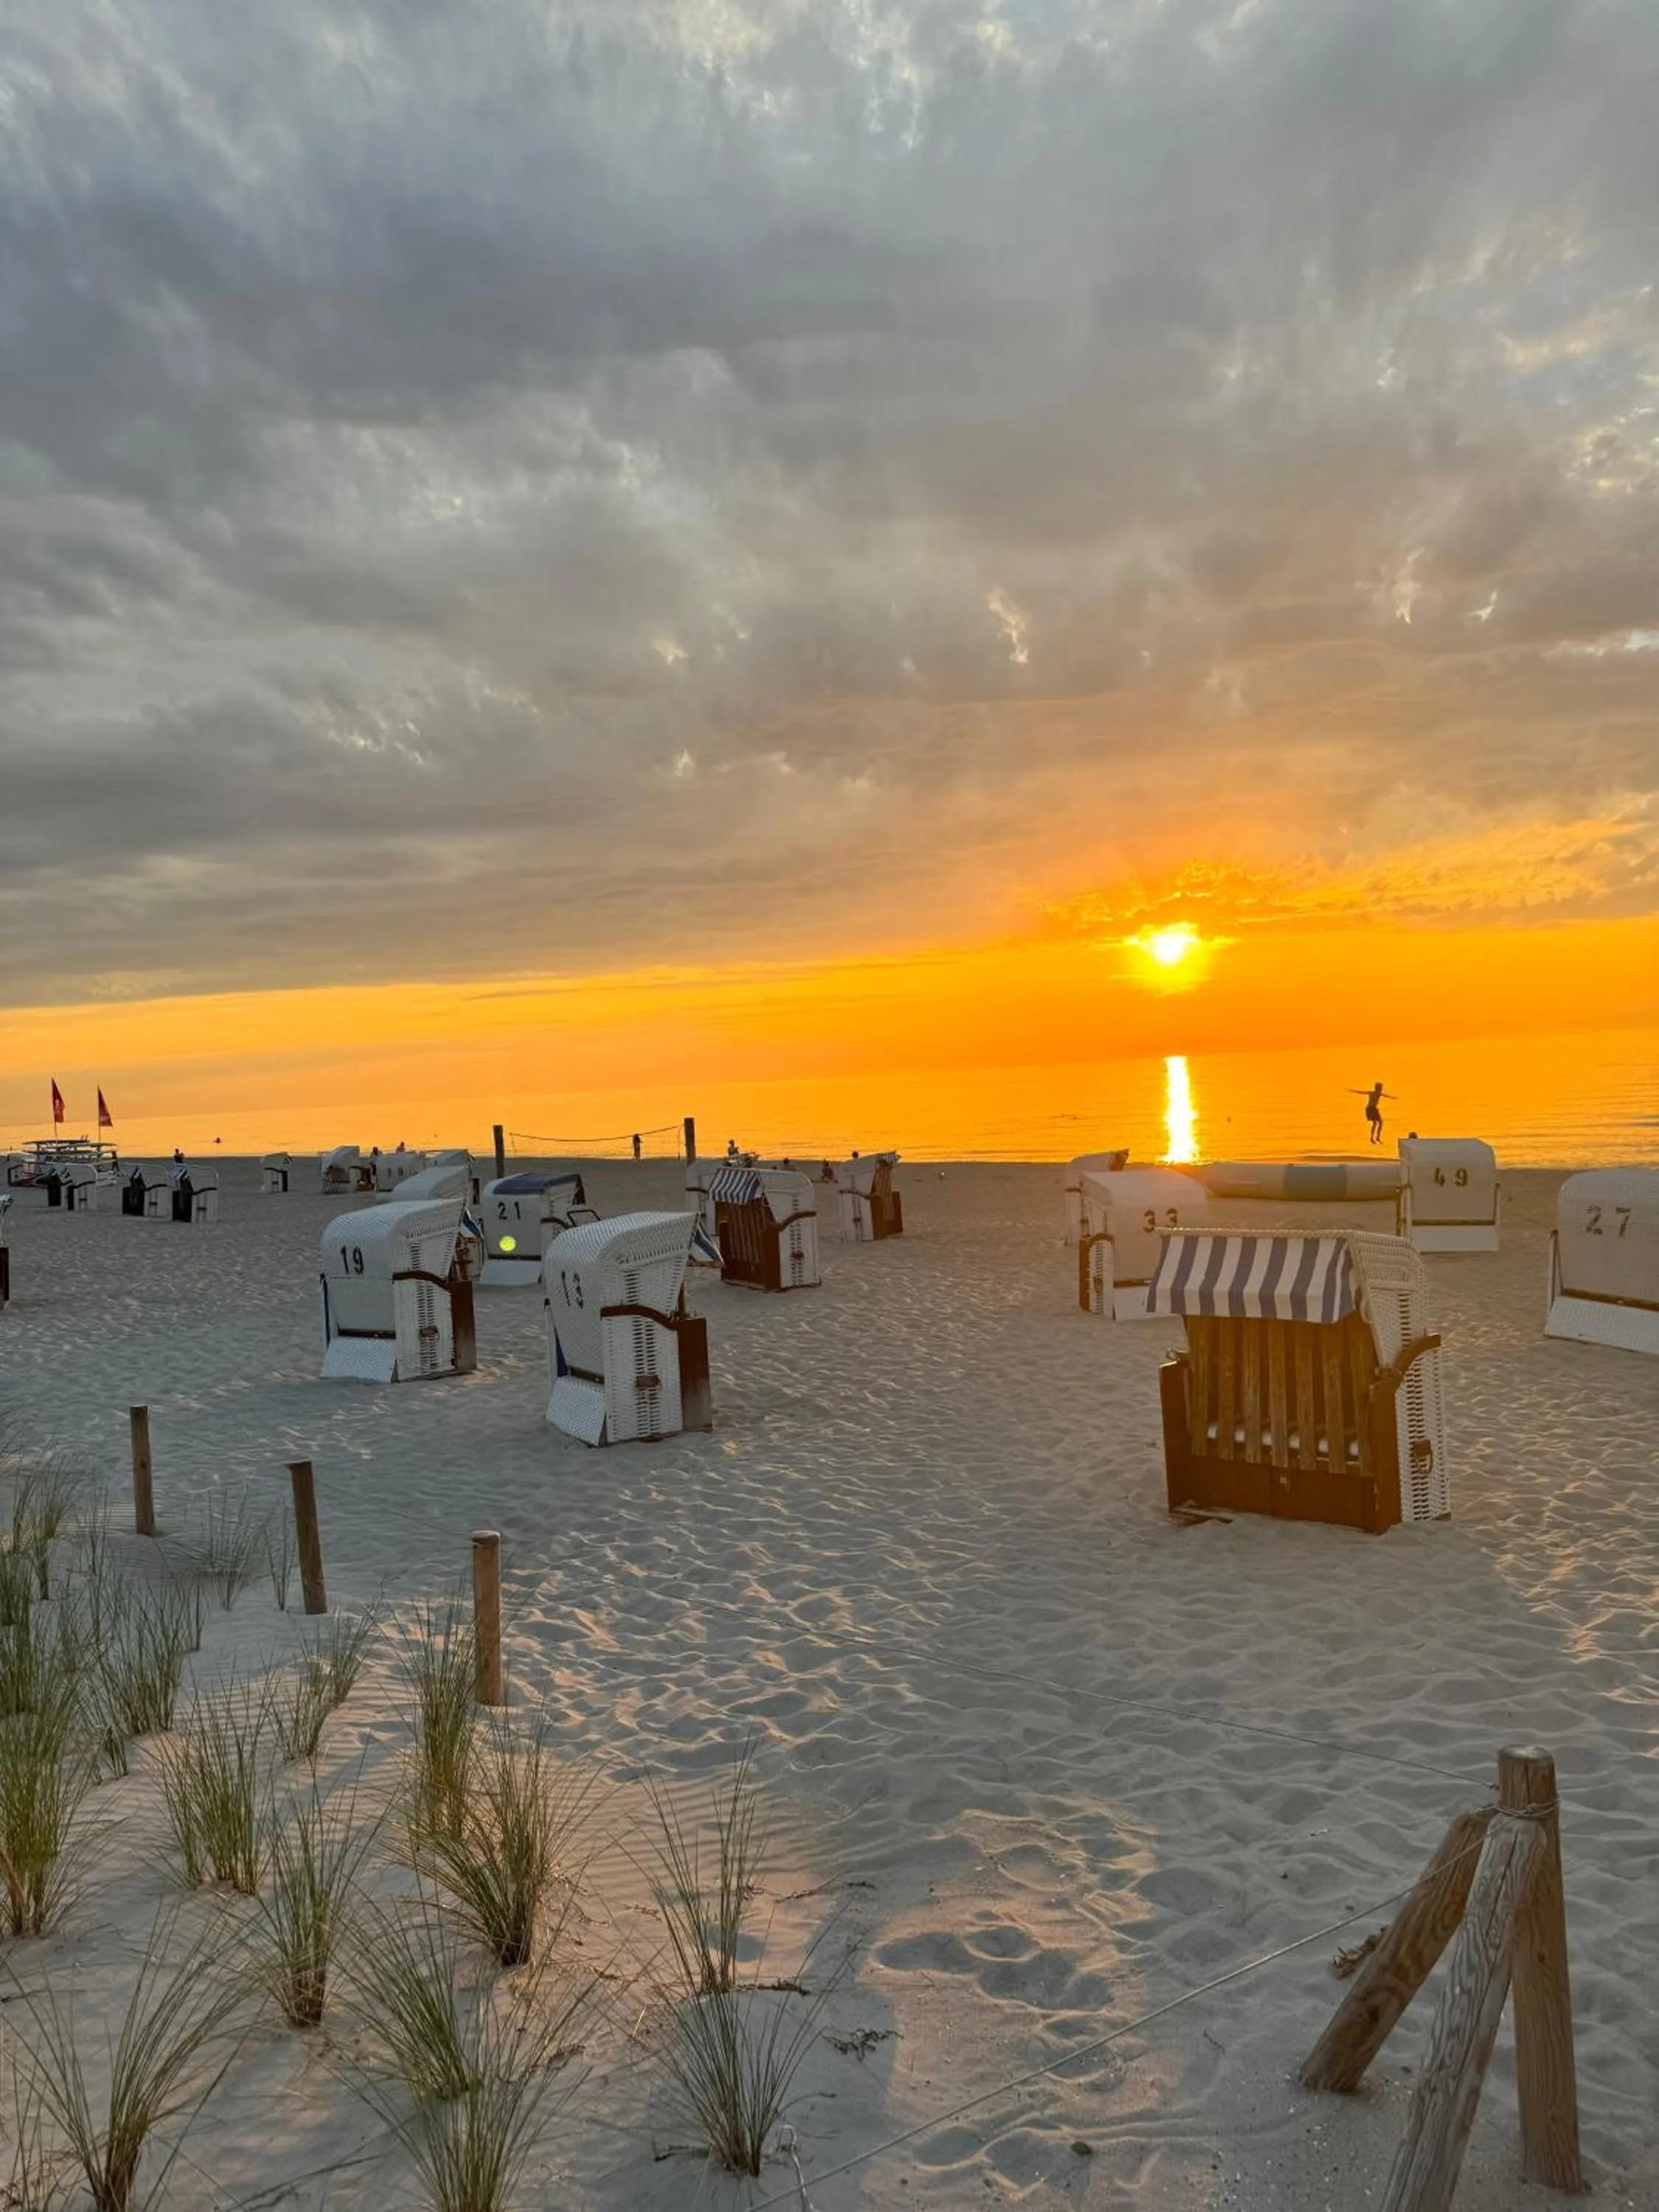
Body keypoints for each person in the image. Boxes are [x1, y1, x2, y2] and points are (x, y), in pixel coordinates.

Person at [1349, 1081, 1396, 1145]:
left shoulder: (1378, 1093)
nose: (1382, 1089)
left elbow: (1386, 1096)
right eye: (1381, 1088)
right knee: (1376, 1123)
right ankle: (1373, 1138)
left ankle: (1377, 1138)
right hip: (1371, 1109)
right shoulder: (1373, 1093)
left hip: (1373, 1108)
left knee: (1379, 1123)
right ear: (1378, 1088)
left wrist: (1392, 1097)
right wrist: (1353, 1091)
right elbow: (1362, 1092)